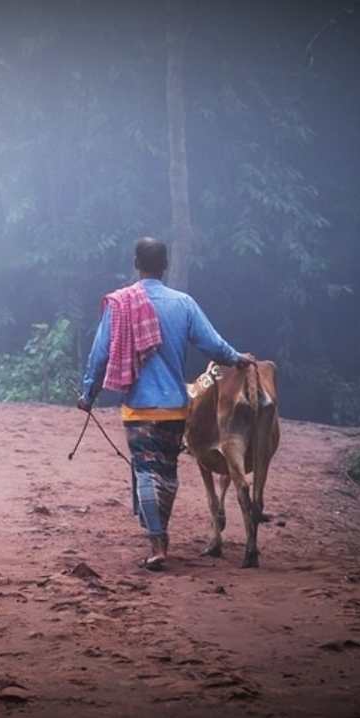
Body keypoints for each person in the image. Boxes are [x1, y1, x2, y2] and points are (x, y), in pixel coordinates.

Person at [78, 236, 255, 571]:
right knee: (168, 474)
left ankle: (158, 542)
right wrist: (238, 358)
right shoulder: (183, 304)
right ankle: (161, 532)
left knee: (146, 471)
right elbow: (213, 345)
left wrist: (89, 394)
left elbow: (99, 355)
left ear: (135, 263)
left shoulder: (120, 304)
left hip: (138, 409)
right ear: (165, 266)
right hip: (176, 407)